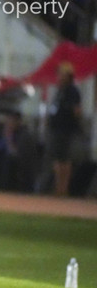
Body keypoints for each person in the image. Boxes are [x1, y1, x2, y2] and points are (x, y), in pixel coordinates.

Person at [47, 62, 82, 196]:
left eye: (61, 74)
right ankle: (58, 188)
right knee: (58, 158)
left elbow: (77, 110)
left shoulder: (72, 91)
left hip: (66, 129)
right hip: (57, 129)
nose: (59, 76)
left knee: (64, 159)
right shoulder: (60, 91)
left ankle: (63, 188)